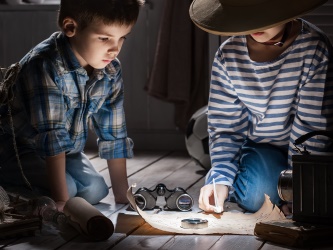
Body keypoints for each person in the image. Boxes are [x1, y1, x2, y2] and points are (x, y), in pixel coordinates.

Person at [189, 0, 333, 215]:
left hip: (312, 153)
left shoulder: (314, 48)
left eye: (262, 15)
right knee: (257, 196)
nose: (253, 24)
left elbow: (312, 128)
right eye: (244, 14)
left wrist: (300, 189)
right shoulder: (228, 55)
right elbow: (226, 128)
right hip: (263, 149)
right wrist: (220, 179)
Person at [0, 0, 145, 211]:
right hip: (18, 150)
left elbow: (114, 133)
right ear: (70, 28)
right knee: (68, 191)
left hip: (67, 151)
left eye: (122, 38)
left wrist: (123, 194)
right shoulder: (44, 65)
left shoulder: (111, 69)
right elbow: (53, 137)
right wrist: (62, 201)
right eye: (104, 38)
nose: (114, 49)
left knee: (96, 190)